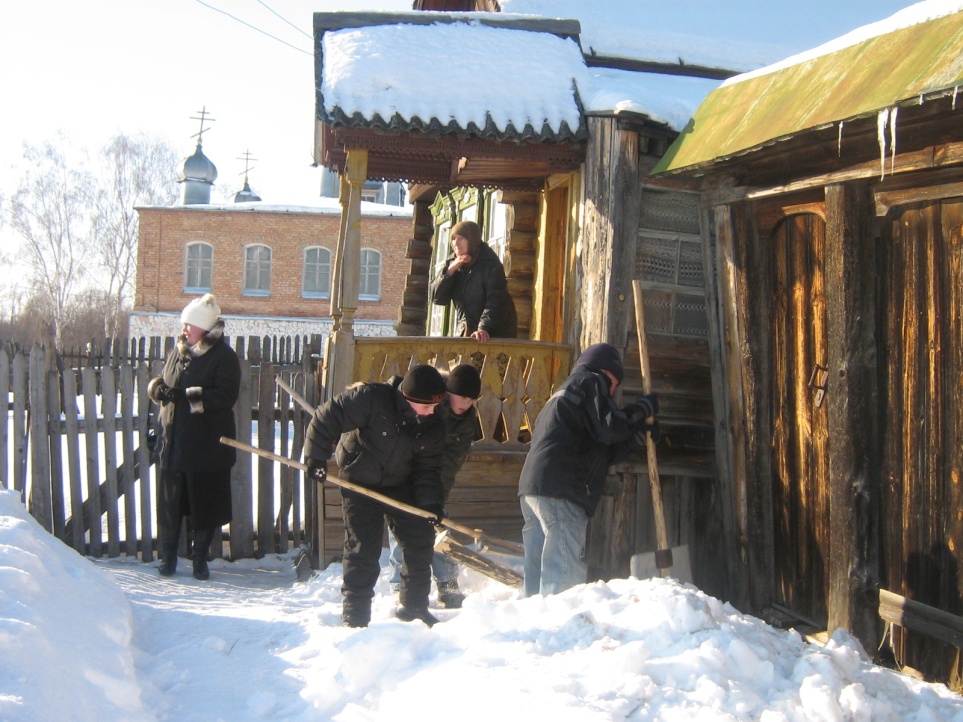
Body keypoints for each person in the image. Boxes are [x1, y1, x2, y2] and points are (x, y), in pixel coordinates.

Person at [303, 364, 448, 628]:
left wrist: (430, 504)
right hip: (360, 480)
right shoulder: (371, 398)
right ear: (408, 398)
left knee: (420, 541)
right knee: (362, 549)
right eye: (426, 406)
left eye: (435, 406)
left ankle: (414, 607)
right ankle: (355, 615)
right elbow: (327, 416)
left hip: (401, 484)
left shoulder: (433, 424)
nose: (431, 412)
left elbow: (428, 470)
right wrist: (315, 458)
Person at [517, 343, 659, 597]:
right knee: (563, 575)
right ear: (607, 373)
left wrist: (637, 434)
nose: (614, 391)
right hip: (562, 491)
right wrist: (640, 411)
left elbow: (602, 447)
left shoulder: (565, 392)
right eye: (616, 383)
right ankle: (559, 627)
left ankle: (536, 626)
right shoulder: (590, 381)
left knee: (539, 571)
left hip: (535, 489)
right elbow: (608, 428)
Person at [148, 293, 240, 581]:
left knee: (204, 505)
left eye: (189, 324)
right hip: (174, 442)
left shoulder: (224, 357)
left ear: (205, 328)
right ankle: (168, 558)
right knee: (170, 504)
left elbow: (225, 396)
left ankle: (200, 560)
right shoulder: (178, 351)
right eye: (184, 324)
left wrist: (185, 397)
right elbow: (167, 380)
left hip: (205, 446)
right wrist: (158, 389)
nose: (184, 329)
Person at [388, 363, 483, 608]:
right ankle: (399, 586)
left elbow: (451, 462)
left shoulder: (466, 422)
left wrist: (435, 498)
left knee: (440, 530)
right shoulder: (428, 402)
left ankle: (448, 585)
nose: (467, 403)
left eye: (472, 399)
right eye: (463, 397)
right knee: (400, 534)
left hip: (434, 482)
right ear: (448, 393)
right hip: (404, 476)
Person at [431, 220, 517, 342]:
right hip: (466, 332)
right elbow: (437, 298)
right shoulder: (453, 263)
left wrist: (484, 328)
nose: (456, 243)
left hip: (495, 335)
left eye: (461, 239)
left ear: (472, 240)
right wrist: (450, 271)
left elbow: (495, 301)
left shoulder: (490, 264)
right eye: (453, 239)